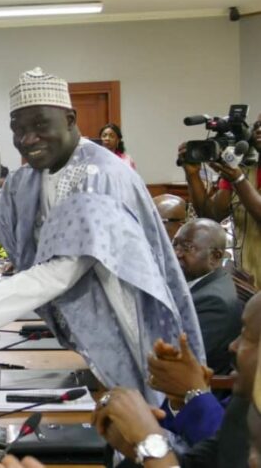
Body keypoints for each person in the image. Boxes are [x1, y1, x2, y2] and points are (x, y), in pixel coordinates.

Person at [0, 67, 204, 402]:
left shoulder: (98, 176)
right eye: (19, 128)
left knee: (144, 417)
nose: (28, 138)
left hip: (129, 322)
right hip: (85, 331)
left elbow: (63, 269)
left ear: (70, 119)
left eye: (41, 125)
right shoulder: (28, 177)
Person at [97, 291, 260, 468]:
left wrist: (151, 442)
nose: (233, 346)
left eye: (246, 335)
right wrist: (138, 448)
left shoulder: (216, 302)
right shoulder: (242, 408)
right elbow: (196, 464)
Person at [180, 118, 261, 287]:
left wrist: (238, 180)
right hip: (248, 282)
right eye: (258, 125)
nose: (259, 129)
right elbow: (212, 215)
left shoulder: (238, 175)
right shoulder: (243, 168)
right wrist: (192, 175)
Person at [172, 219, 241, 374]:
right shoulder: (201, 282)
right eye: (175, 244)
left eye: (187, 247)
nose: (177, 253)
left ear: (215, 257)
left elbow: (181, 360)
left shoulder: (215, 303)